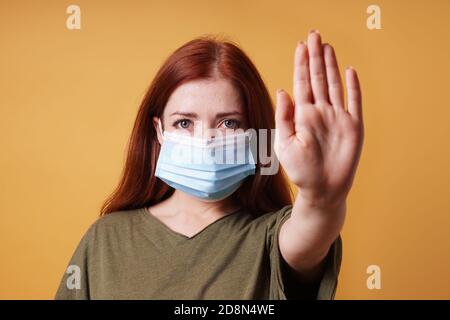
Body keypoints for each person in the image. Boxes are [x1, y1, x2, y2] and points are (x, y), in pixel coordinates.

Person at [55, 29, 364, 300]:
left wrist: (322, 197)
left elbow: (313, 227)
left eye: (229, 123)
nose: (206, 140)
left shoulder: (272, 239)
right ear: (159, 130)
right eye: (184, 123)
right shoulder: (106, 239)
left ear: (254, 135)